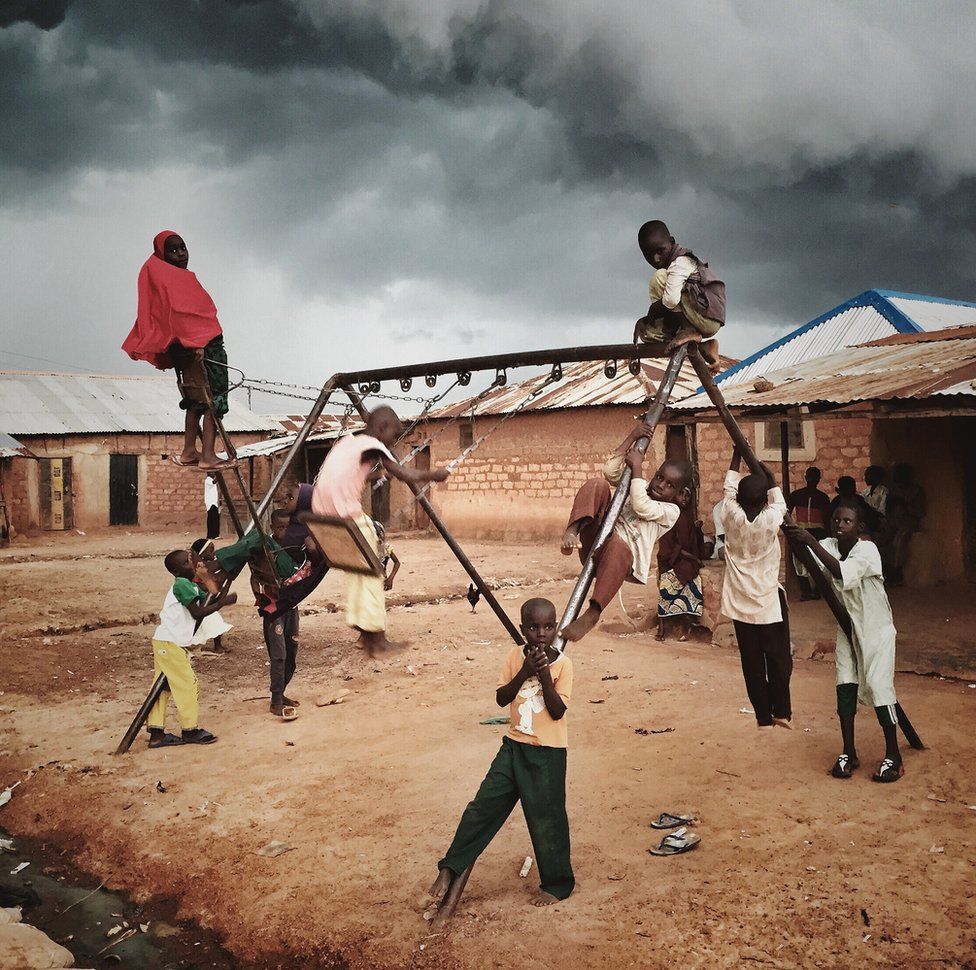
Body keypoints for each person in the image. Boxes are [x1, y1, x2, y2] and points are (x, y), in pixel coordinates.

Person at [427, 598, 574, 910]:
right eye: (533, 627)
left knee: (547, 820)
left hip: (548, 754)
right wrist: (524, 672)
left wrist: (545, 674)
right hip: (513, 746)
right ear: (522, 630)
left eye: (548, 626)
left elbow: (558, 711)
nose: (541, 633)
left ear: (556, 627)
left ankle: (557, 885)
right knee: (482, 806)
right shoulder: (512, 657)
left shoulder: (563, 664)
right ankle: (450, 866)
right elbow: (501, 698)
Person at [311, 406, 449, 656]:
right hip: (347, 518)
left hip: (320, 516)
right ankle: (379, 642)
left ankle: (364, 632)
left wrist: (376, 475)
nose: (393, 442)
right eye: (394, 436)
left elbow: (346, 475)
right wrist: (434, 475)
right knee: (375, 573)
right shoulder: (375, 446)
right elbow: (406, 473)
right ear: (382, 428)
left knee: (357, 572)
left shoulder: (347, 443)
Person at [787, 503, 903, 782]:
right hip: (848, 627)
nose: (839, 524)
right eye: (836, 519)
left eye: (847, 521)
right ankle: (849, 751)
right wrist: (797, 539)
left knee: (878, 686)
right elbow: (807, 566)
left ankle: (894, 756)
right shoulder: (829, 544)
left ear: (860, 527)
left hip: (876, 629)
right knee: (845, 684)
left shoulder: (867, 550)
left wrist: (809, 540)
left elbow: (840, 572)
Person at [559, 420, 686, 642]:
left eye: (670, 485)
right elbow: (609, 471)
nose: (660, 485)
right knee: (597, 484)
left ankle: (593, 612)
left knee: (618, 544)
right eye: (659, 477)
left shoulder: (670, 511)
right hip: (595, 542)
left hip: (618, 562)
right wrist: (632, 437)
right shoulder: (638, 484)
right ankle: (571, 532)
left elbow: (641, 505)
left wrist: (637, 467)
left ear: (679, 494)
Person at [122, 230, 233, 470]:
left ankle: (189, 451)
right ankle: (208, 456)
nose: (181, 254)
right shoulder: (177, 281)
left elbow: (174, 318)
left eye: (183, 247)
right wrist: (197, 343)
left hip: (189, 355)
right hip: (207, 350)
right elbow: (185, 317)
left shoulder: (163, 280)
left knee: (194, 401)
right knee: (215, 401)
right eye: (173, 250)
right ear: (162, 255)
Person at [720, 448, 792, 729]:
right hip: (767, 604)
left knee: (751, 663)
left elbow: (728, 487)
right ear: (763, 501)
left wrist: (736, 454)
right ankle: (781, 711)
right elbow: (778, 499)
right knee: (778, 659)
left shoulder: (730, 514)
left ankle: (762, 714)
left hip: (740, 604)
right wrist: (771, 477)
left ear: (739, 498)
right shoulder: (770, 519)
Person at [147, 548, 235, 748]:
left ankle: (156, 733)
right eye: (187, 564)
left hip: (167, 642)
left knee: (162, 688)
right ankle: (190, 730)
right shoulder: (181, 585)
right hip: (170, 643)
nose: (192, 566)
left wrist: (208, 578)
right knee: (189, 684)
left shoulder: (187, 584)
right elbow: (197, 612)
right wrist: (222, 603)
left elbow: (208, 590)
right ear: (176, 571)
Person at [259, 510, 329, 721]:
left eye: (288, 527)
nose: (284, 531)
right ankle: (275, 700)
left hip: (291, 606)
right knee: (278, 655)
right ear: (272, 528)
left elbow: (313, 562)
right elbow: (256, 575)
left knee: (292, 651)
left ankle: (281, 692)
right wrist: (260, 593)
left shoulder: (296, 548)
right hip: (274, 608)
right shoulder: (267, 548)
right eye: (279, 527)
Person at [632, 220, 726, 373]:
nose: (656, 259)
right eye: (649, 256)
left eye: (660, 251)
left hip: (706, 315)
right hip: (697, 315)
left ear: (672, 242)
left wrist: (653, 309)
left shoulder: (680, 262)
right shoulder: (672, 265)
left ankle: (688, 330)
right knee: (648, 334)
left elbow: (670, 300)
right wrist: (647, 321)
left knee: (659, 277)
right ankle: (704, 347)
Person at [656, 490, 711, 642]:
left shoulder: (686, 516)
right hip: (670, 559)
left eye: (688, 496)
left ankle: (688, 619)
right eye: (682, 495)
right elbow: (671, 546)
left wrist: (698, 530)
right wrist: (693, 557)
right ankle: (662, 625)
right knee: (668, 582)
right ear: (674, 496)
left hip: (685, 560)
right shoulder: (669, 515)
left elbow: (692, 542)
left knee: (693, 579)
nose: (685, 499)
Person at [787, 466, 831, 601]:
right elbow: (786, 511)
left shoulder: (800, 495)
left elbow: (786, 512)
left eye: (813, 477)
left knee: (810, 561)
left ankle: (811, 590)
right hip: (810, 531)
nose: (811, 479)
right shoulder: (821, 497)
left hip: (810, 531)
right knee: (803, 561)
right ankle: (811, 590)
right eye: (810, 477)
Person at [881, 463, 926, 586]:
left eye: (900, 475)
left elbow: (920, 513)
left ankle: (898, 571)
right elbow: (887, 510)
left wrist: (904, 504)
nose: (897, 478)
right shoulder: (893, 491)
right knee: (881, 540)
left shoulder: (916, 491)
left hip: (909, 522)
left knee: (899, 540)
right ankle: (887, 569)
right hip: (893, 521)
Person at [187, 538, 232, 653]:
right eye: (211, 550)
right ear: (202, 553)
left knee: (214, 620)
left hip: (205, 600)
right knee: (211, 620)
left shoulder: (204, 566)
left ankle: (217, 645)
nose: (214, 553)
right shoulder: (200, 568)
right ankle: (215, 646)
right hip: (197, 602)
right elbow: (210, 587)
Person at [374, 520, 401, 591]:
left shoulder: (386, 547)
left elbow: (397, 562)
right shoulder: (366, 549)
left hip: (381, 581)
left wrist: (390, 578)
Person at [204, 473, 220, 539]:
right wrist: (219, 475)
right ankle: (213, 535)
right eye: (212, 472)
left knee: (213, 518)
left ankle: (211, 535)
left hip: (213, 502)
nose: (214, 474)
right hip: (211, 502)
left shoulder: (210, 480)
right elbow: (213, 482)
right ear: (209, 473)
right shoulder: (208, 480)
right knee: (213, 518)